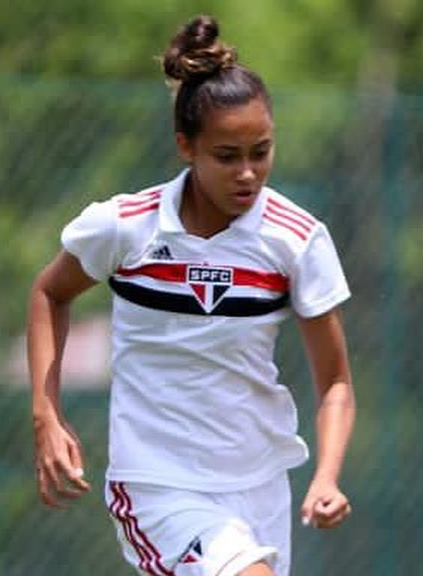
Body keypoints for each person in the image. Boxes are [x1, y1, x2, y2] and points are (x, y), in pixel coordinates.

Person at [26, 14, 356, 576]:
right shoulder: (125, 227)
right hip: (158, 485)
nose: (248, 174)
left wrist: (326, 476)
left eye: (261, 151)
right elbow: (49, 293)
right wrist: (46, 416)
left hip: (260, 486)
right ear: (186, 147)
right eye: (227, 156)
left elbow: (336, 385)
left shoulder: (296, 240)